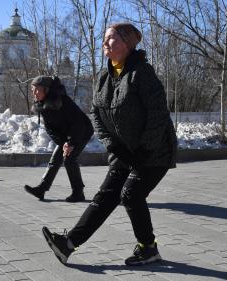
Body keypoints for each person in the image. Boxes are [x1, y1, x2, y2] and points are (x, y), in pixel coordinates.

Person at [42, 23, 177, 266]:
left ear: (127, 44)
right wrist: (112, 146)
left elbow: (158, 115)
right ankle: (68, 245)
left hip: (154, 151)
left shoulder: (142, 73)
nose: (105, 43)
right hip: (123, 151)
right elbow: (96, 114)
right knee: (105, 196)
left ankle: (148, 248)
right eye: (104, 39)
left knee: (130, 194)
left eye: (111, 39)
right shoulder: (104, 77)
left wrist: (144, 150)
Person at [24, 75, 94, 202]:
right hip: (66, 136)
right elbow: (50, 129)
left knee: (69, 160)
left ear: (46, 90)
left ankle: (78, 192)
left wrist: (71, 143)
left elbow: (78, 123)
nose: (33, 93)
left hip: (81, 132)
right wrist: (63, 143)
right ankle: (42, 189)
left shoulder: (62, 101)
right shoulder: (42, 105)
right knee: (55, 159)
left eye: (36, 90)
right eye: (32, 89)